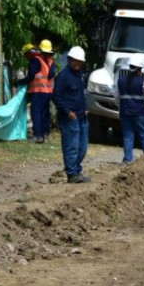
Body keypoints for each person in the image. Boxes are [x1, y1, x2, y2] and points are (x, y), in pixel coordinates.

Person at [53, 46, 90, 183]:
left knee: (82, 147)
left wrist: (85, 108)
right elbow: (56, 97)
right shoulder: (63, 76)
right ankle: (72, 173)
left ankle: (76, 169)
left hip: (82, 116)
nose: (78, 64)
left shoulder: (79, 75)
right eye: (76, 61)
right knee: (71, 146)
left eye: (80, 61)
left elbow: (80, 94)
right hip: (70, 118)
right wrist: (68, 112)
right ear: (69, 59)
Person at [117, 58, 144, 163]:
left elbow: (117, 95)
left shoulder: (120, 80)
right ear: (139, 70)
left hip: (125, 112)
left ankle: (127, 159)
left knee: (128, 135)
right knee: (143, 135)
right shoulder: (142, 82)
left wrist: (120, 107)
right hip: (139, 112)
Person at [18, 39, 56, 143]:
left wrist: (20, 82)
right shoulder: (51, 61)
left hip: (38, 91)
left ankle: (37, 135)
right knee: (45, 113)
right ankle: (45, 135)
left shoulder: (36, 60)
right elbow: (51, 74)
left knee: (36, 113)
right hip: (48, 91)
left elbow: (31, 76)